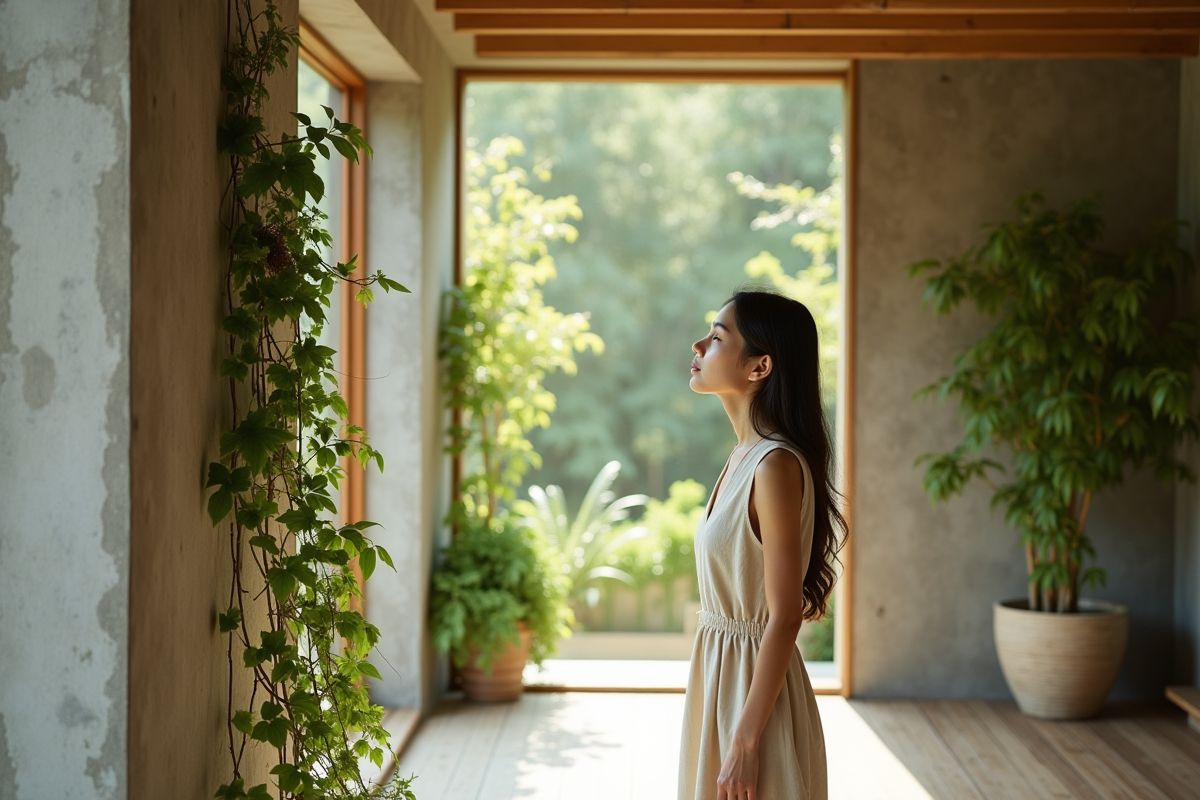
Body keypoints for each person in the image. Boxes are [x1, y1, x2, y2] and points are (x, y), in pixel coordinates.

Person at [679, 290, 846, 800]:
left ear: (760, 367)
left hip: (754, 697)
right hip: (720, 679)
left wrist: (746, 741)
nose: (699, 344)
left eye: (718, 336)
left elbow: (785, 615)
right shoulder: (742, 458)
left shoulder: (773, 466)